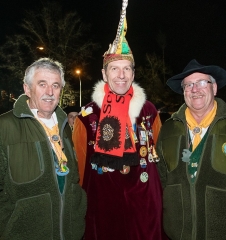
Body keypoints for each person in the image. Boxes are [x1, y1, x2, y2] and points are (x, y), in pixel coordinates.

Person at [72, 1, 166, 239]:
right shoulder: (87, 117)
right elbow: (80, 172)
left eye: (127, 69)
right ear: (104, 74)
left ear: (134, 74)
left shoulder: (149, 111)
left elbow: (160, 160)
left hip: (146, 213)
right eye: (114, 69)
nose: (121, 75)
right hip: (104, 213)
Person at [0, 58, 86, 240]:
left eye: (55, 85)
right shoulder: (5, 128)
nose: (49, 92)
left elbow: (73, 182)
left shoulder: (66, 127)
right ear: (27, 89)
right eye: (42, 84)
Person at [157, 59, 226, 239]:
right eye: (188, 85)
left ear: (214, 88)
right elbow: (162, 180)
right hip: (178, 235)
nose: (195, 89)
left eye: (202, 82)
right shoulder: (168, 129)